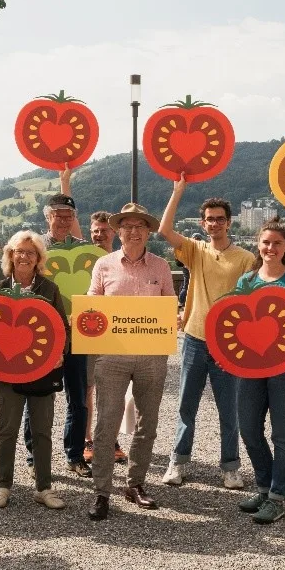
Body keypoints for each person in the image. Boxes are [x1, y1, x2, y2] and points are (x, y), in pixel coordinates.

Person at [157, 174, 255, 489]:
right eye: (209, 220)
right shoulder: (196, 250)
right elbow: (164, 230)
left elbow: (251, 300)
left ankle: (230, 467)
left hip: (228, 344)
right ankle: (177, 462)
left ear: (229, 223)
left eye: (219, 220)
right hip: (196, 339)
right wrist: (178, 191)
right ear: (203, 223)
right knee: (187, 405)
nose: (214, 224)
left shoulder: (245, 258)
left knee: (230, 409)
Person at [86, 203, 177, 521]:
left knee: (147, 423)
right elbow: (91, 308)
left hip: (152, 355)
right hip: (112, 355)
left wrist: (174, 319)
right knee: (106, 423)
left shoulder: (161, 267)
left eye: (140, 225)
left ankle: (135, 484)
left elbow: (169, 309)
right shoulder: (103, 265)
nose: (133, 231)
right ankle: (101, 491)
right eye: (127, 226)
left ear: (148, 231)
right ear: (118, 231)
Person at [234, 220, 285, 524]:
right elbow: (235, 324)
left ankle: (278, 497)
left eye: (277, 243)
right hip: (251, 365)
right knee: (249, 429)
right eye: (266, 242)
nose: (271, 248)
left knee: (282, 433)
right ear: (259, 244)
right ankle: (265, 487)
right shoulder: (246, 281)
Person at [0, 231, 68, 510]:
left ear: (38, 259)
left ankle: (43, 487)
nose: (24, 257)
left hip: (42, 372)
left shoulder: (49, 289)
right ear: (10, 255)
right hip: (6, 373)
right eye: (19, 252)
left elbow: (62, 330)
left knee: (42, 430)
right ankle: (2, 485)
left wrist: (59, 354)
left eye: (30, 253)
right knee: (7, 428)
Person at [28, 185, 92, 478]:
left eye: (69, 216)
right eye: (58, 215)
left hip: (78, 332)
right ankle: (33, 458)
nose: (64, 220)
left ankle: (75, 455)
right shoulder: (35, 249)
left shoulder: (85, 250)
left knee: (77, 398)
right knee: (38, 395)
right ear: (48, 218)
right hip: (45, 333)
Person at [82, 209, 125, 465]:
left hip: (118, 334)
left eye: (104, 230)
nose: (99, 235)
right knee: (88, 388)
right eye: (95, 231)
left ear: (114, 233)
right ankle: (88, 439)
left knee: (115, 391)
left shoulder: (123, 259)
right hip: (91, 331)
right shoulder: (86, 259)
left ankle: (111, 439)